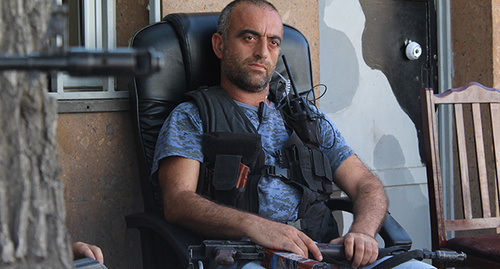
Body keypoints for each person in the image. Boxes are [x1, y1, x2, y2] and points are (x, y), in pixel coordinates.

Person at [151, 1, 433, 268]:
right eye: (249, 38)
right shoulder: (193, 116)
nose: (263, 52)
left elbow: (365, 184)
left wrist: (363, 232)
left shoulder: (308, 118)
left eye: (273, 41)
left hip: (326, 255)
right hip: (248, 258)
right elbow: (177, 201)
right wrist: (255, 226)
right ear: (220, 45)